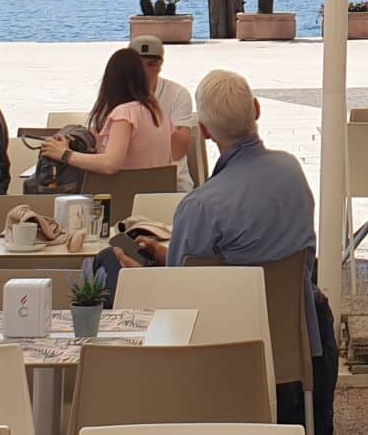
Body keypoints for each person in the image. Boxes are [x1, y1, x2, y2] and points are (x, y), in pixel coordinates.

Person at [125, 69, 335, 432]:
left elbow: (180, 290)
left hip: (227, 350)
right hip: (298, 339)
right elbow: (264, 251)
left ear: (204, 131)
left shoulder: (201, 206)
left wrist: (139, 276)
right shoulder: (291, 172)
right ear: (256, 109)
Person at [39, 49, 186, 176]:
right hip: (155, 197)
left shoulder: (125, 114)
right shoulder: (158, 112)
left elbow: (110, 164)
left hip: (121, 197)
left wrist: (65, 154)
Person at [129, 33, 200, 190]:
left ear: (160, 65)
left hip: (173, 184)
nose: (144, 71)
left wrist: (148, 105)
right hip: (125, 179)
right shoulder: (114, 93)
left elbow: (178, 150)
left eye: (151, 64)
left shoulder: (178, 94)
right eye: (138, 65)